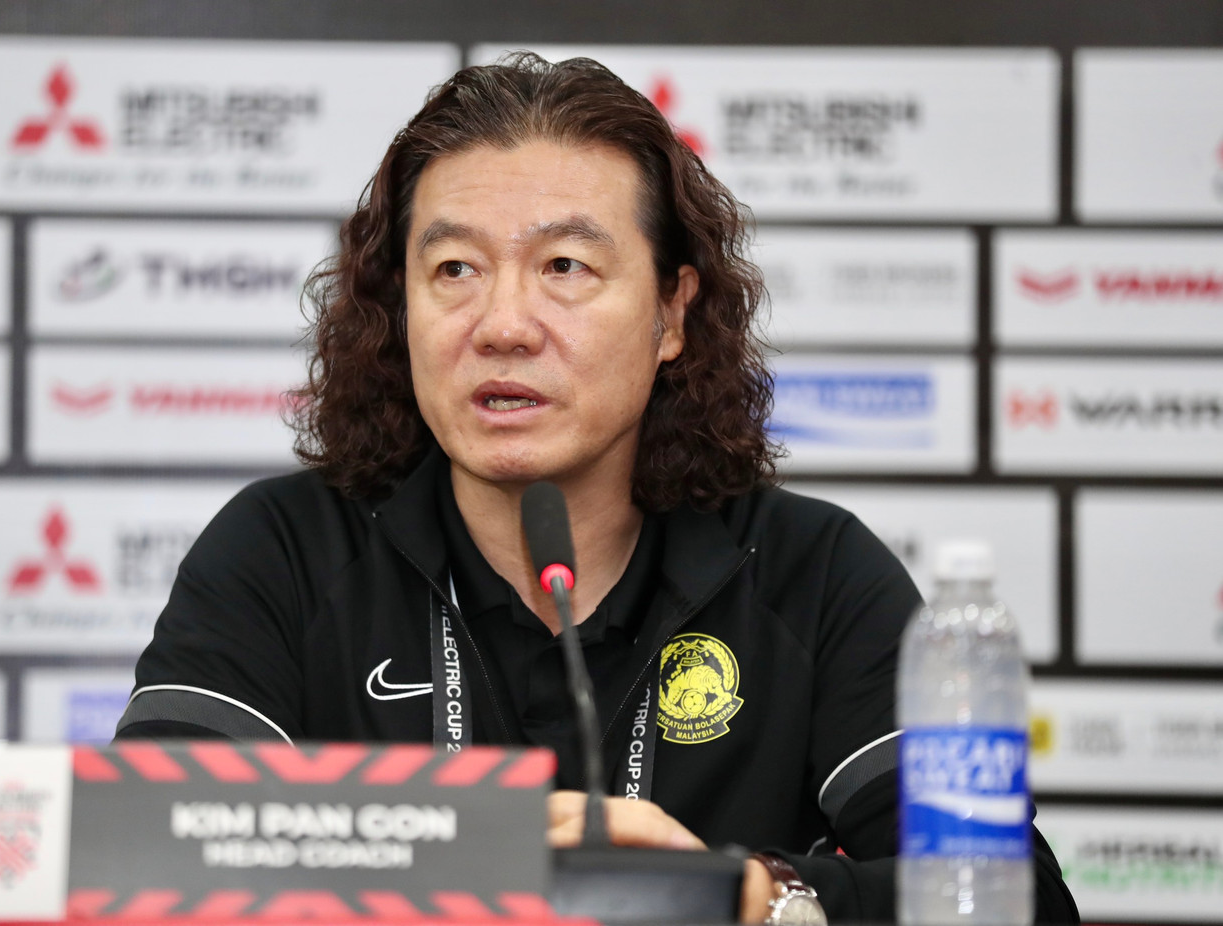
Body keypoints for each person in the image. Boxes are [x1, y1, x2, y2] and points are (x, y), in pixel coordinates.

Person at [117, 53, 1077, 924]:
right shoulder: (285, 552)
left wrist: (754, 896)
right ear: (398, 309)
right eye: (454, 268)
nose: (503, 324)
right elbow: (134, 854)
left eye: (565, 266)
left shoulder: (810, 574)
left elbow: (1010, 899)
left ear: (672, 313)